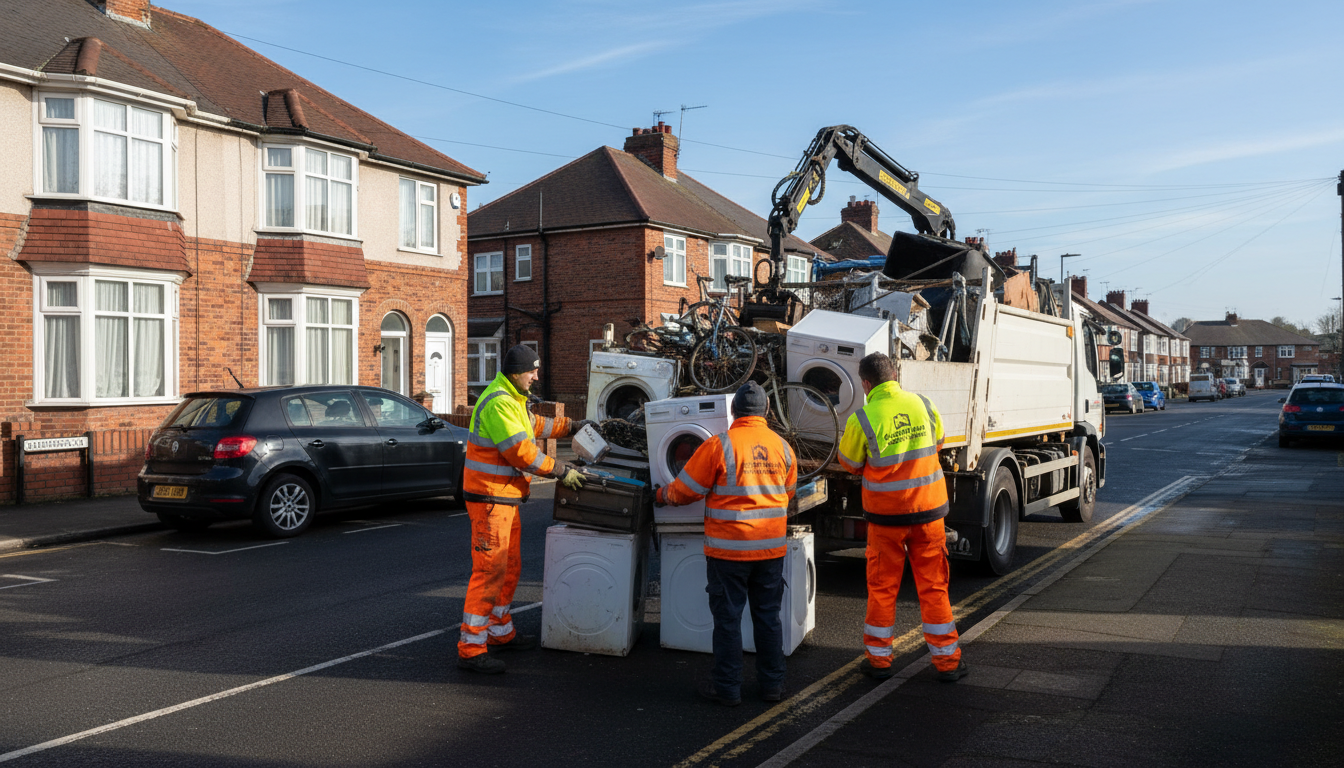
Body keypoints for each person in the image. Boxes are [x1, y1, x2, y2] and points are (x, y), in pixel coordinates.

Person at [655, 382, 797, 705]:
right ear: (767, 412)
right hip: (770, 551)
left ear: (734, 412)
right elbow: (788, 495)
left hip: (728, 551)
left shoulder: (720, 445)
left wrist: (661, 495)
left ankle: (728, 687)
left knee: (728, 620)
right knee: (767, 617)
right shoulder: (783, 448)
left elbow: (685, 488)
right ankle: (773, 686)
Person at [458, 344, 595, 674]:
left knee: (509, 567)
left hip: (504, 499)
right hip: (490, 500)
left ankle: (499, 632)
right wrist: (561, 470)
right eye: (532, 371)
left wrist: (573, 426)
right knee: (489, 571)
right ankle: (472, 647)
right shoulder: (500, 403)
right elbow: (522, 453)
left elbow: (536, 425)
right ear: (516, 373)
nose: (536, 376)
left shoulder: (512, 399)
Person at [837, 352, 968, 683]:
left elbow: (849, 463)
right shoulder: (923, 404)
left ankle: (879, 661)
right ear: (895, 375)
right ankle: (948, 663)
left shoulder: (862, 419)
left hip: (886, 520)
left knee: (882, 589)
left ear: (866, 384)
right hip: (929, 514)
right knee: (934, 587)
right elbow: (938, 442)